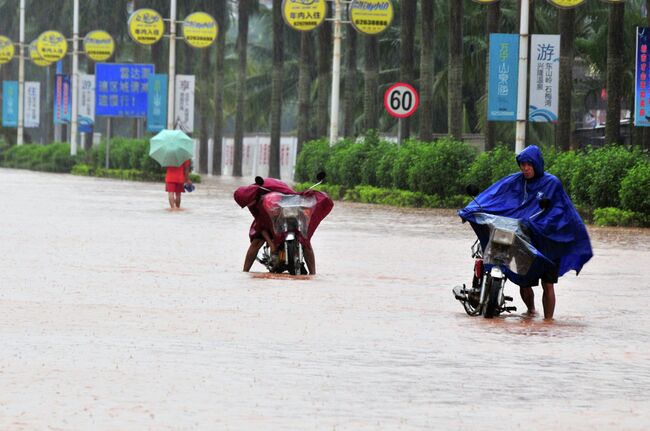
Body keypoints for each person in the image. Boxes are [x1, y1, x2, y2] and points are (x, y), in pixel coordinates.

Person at [459, 145, 593, 319]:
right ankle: (530, 311)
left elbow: (560, 211)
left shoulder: (551, 183)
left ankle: (548, 321)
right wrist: (469, 210)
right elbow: (492, 197)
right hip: (521, 237)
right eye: (522, 164)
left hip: (547, 241)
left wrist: (538, 222)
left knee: (548, 284)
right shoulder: (514, 181)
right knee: (523, 280)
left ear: (537, 164)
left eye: (529, 164)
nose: (525, 168)